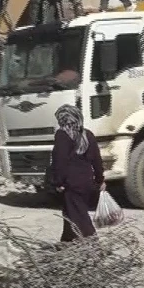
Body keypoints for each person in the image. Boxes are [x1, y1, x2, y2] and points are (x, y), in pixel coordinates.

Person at [48, 104, 106, 243]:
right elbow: (97, 160)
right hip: (86, 182)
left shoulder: (62, 135)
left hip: (71, 184)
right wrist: (100, 180)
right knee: (71, 215)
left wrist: (58, 182)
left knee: (80, 218)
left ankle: (93, 246)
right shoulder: (88, 135)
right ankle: (66, 244)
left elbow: (60, 161)